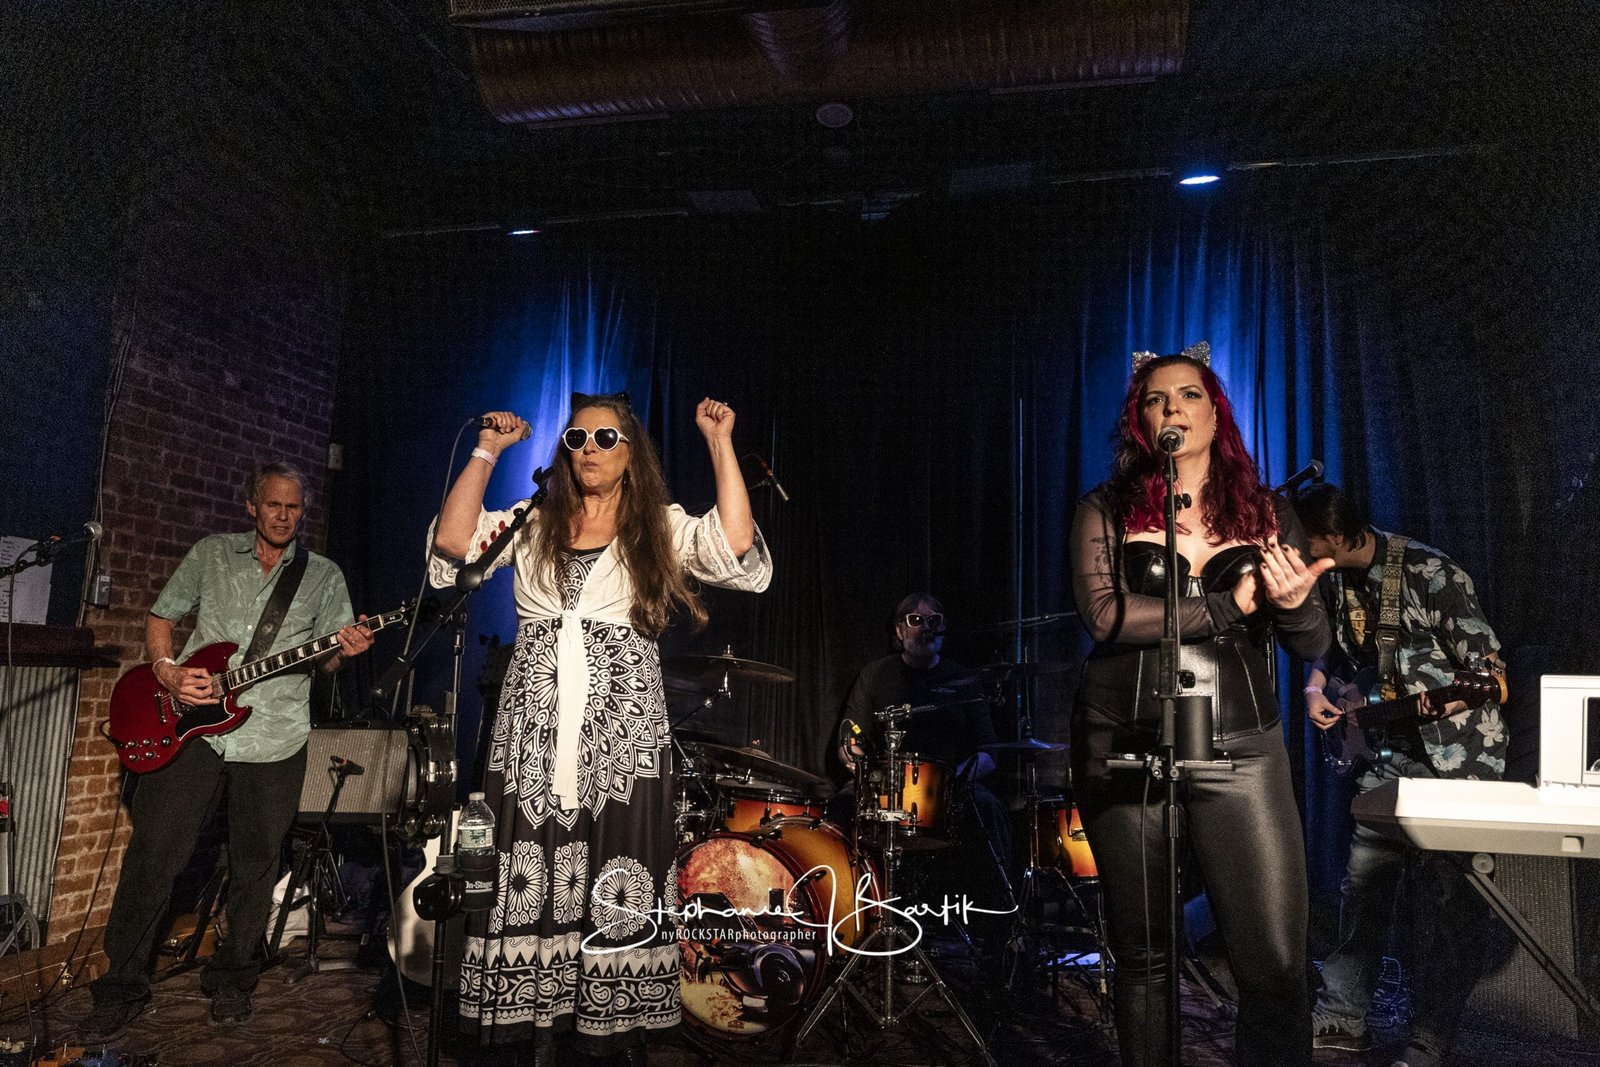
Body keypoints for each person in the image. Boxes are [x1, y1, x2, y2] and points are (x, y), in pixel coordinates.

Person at [431, 393, 772, 1064]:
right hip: (534, 728)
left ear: (630, 452)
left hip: (622, 736)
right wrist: (487, 450)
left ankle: (604, 1027)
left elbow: (734, 544)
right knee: (529, 863)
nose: (588, 448)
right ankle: (530, 1017)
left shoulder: (658, 527)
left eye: (605, 437)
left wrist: (718, 441)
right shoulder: (534, 522)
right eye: (577, 438)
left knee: (617, 863)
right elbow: (453, 542)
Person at [1069, 348, 1333, 1067]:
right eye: (1157, 398)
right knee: (1146, 957)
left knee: (1275, 963)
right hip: (1124, 735)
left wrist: (1293, 603)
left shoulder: (1268, 512)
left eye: (1190, 395)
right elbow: (1105, 615)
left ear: (1216, 414)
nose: (1174, 408)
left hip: (1241, 743)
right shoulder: (1104, 509)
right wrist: (1226, 605)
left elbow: (1313, 641)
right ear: (1140, 419)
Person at [81, 462, 374, 1040]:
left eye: (294, 508)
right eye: (274, 505)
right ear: (251, 506)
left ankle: (234, 977)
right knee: (155, 854)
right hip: (194, 728)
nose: (284, 517)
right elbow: (161, 617)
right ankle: (121, 986)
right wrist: (167, 672)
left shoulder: (324, 574)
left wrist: (346, 648)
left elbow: (328, 661)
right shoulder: (212, 553)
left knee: (256, 863)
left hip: (275, 735)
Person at [1298, 483, 1504, 1067]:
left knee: (1451, 905)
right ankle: (1343, 1019)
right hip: (1387, 756)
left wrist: (1437, 701)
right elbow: (1328, 647)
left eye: (1307, 541)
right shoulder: (1335, 578)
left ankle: (1432, 1034)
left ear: (1334, 536)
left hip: (1457, 758)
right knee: (1362, 889)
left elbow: (1490, 672)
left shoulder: (1431, 573)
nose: (1298, 551)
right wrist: (1315, 686)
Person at [831, 595, 1012, 928]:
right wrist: (866, 772)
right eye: (915, 620)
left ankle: (995, 927)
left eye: (934, 620)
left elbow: (989, 752)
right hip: (885, 787)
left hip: (947, 791)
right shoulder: (875, 674)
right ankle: (846, 914)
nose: (925, 627)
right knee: (843, 803)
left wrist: (954, 781)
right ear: (899, 630)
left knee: (989, 808)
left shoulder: (964, 680)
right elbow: (848, 742)